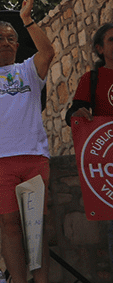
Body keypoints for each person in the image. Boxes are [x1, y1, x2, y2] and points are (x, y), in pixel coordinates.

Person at [0, 0, 55, 283]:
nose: (5, 43)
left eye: (10, 38)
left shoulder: (29, 70)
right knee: (10, 225)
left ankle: (40, 281)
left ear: (18, 46)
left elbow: (49, 53)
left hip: (32, 156)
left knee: (37, 226)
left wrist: (27, 20)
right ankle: (18, 280)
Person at [66, 22, 113, 262]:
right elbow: (72, 115)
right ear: (99, 48)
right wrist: (79, 114)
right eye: (112, 40)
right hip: (109, 167)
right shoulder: (91, 79)